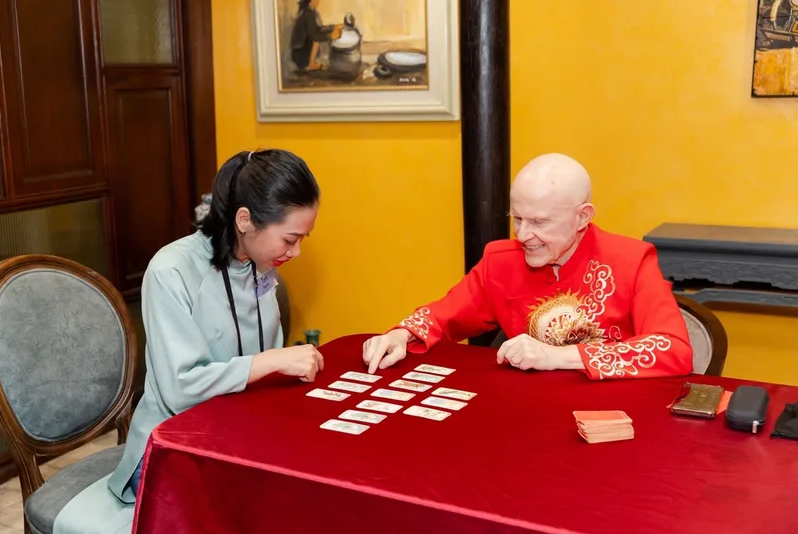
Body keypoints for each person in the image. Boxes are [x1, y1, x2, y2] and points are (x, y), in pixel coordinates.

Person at [107, 148, 325, 504]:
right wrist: (271, 361)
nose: (296, 252)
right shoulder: (171, 271)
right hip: (173, 445)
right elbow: (181, 389)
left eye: (303, 239)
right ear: (244, 220)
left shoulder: (260, 264)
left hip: (241, 431)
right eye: (290, 239)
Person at [362, 153, 693, 380]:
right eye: (517, 218)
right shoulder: (501, 260)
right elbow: (443, 316)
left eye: (539, 222)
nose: (523, 235)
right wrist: (402, 334)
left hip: (612, 416)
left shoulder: (632, 260)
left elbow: (673, 350)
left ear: (583, 217)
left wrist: (558, 357)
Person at [290, 0, 343, 71]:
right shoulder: (308, 14)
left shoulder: (312, 12)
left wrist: (333, 27)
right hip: (300, 54)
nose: (318, 1)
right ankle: (311, 64)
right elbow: (314, 36)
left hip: (301, 51)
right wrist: (330, 36)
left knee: (318, 36)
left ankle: (312, 63)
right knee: (317, 39)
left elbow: (319, 28)